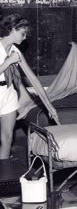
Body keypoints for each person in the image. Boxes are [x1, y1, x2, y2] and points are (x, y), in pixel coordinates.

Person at [0, 14, 29, 159]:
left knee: (7, 138)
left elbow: (19, 77)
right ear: (12, 29)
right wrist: (9, 61)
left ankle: (3, 177)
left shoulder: (15, 50)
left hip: (9, 93)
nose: (24, 38)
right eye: (22, 34)